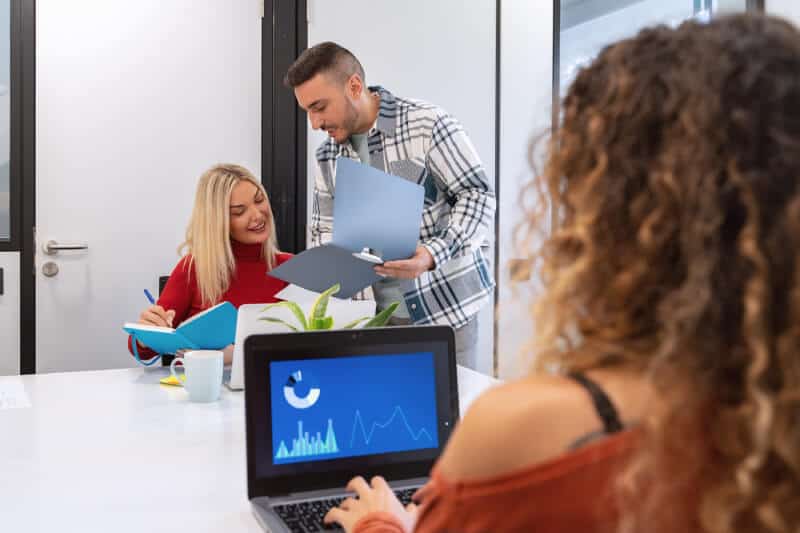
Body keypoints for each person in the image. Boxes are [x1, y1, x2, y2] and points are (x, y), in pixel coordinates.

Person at [322, 14, 800, 533]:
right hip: (379, 312)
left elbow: (479, 196)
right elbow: (329, 227)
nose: (314, 122)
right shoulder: (770, 427)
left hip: (444, 305)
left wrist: (381, 524)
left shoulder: (522, 431)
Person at [284, 42, 496, 370]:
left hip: (444, 312)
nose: (314, 123)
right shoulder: (327, 156)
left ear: (354, 86)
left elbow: (477, 196)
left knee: (454, 419)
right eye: (308, 111)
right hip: (372, 323)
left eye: (319, 107)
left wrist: (430, 255)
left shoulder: (427, 124)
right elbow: (322, 231)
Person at [128, 164, 292, 364]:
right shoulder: (193, 269)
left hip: (276, 387)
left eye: (259, 200)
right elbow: (141, 349)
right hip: (207, 390)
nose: (258, 215)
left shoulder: (290, 268)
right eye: (239, 212)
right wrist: (147, 334)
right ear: (219, 221)